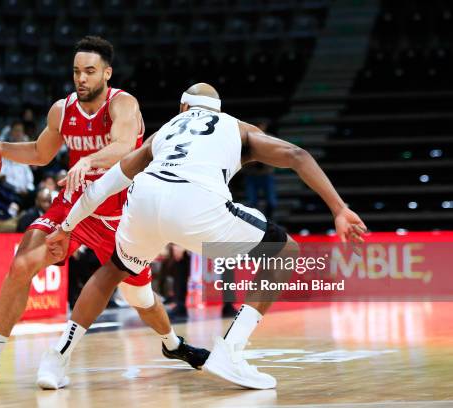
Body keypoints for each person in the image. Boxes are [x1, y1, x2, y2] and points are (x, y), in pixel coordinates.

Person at [45, 82, 367, 389]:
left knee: (113, 270)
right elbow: (297, 156)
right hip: (197, 205)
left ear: (184, 106)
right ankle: (231, 350)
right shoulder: (239, 127)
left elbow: (105, 184)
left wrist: (66, 228)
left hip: (144, 198)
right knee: (284, 252)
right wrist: (338, 208)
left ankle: (58, 357)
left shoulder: (166, 130)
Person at [0, 36, 208, 388]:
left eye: (89, 71)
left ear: (106, 73)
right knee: (21, 262)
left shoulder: (123, 105)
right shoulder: (62, 109)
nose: (81, 78)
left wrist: (88, 159)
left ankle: (172, 344)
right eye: (76, 72)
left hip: (121, 212)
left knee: (141, 298)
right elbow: (41, 153)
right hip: (75, 202)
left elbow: (122, 146)